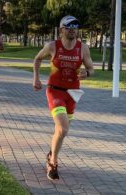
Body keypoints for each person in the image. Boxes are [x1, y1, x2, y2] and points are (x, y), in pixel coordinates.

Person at [33, 15, 94, 180]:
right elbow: (37, 59)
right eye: (68, 27)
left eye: (75, 26)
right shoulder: (52, 46)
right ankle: (53, 162)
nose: (72, 29)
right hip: (55, 91)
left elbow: (91, 69)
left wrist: (86, 73)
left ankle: (51, 153)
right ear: (61, 30)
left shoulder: (83, 48)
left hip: (72, 94)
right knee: (63, 128)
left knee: (61, 131)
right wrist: (36, 78)